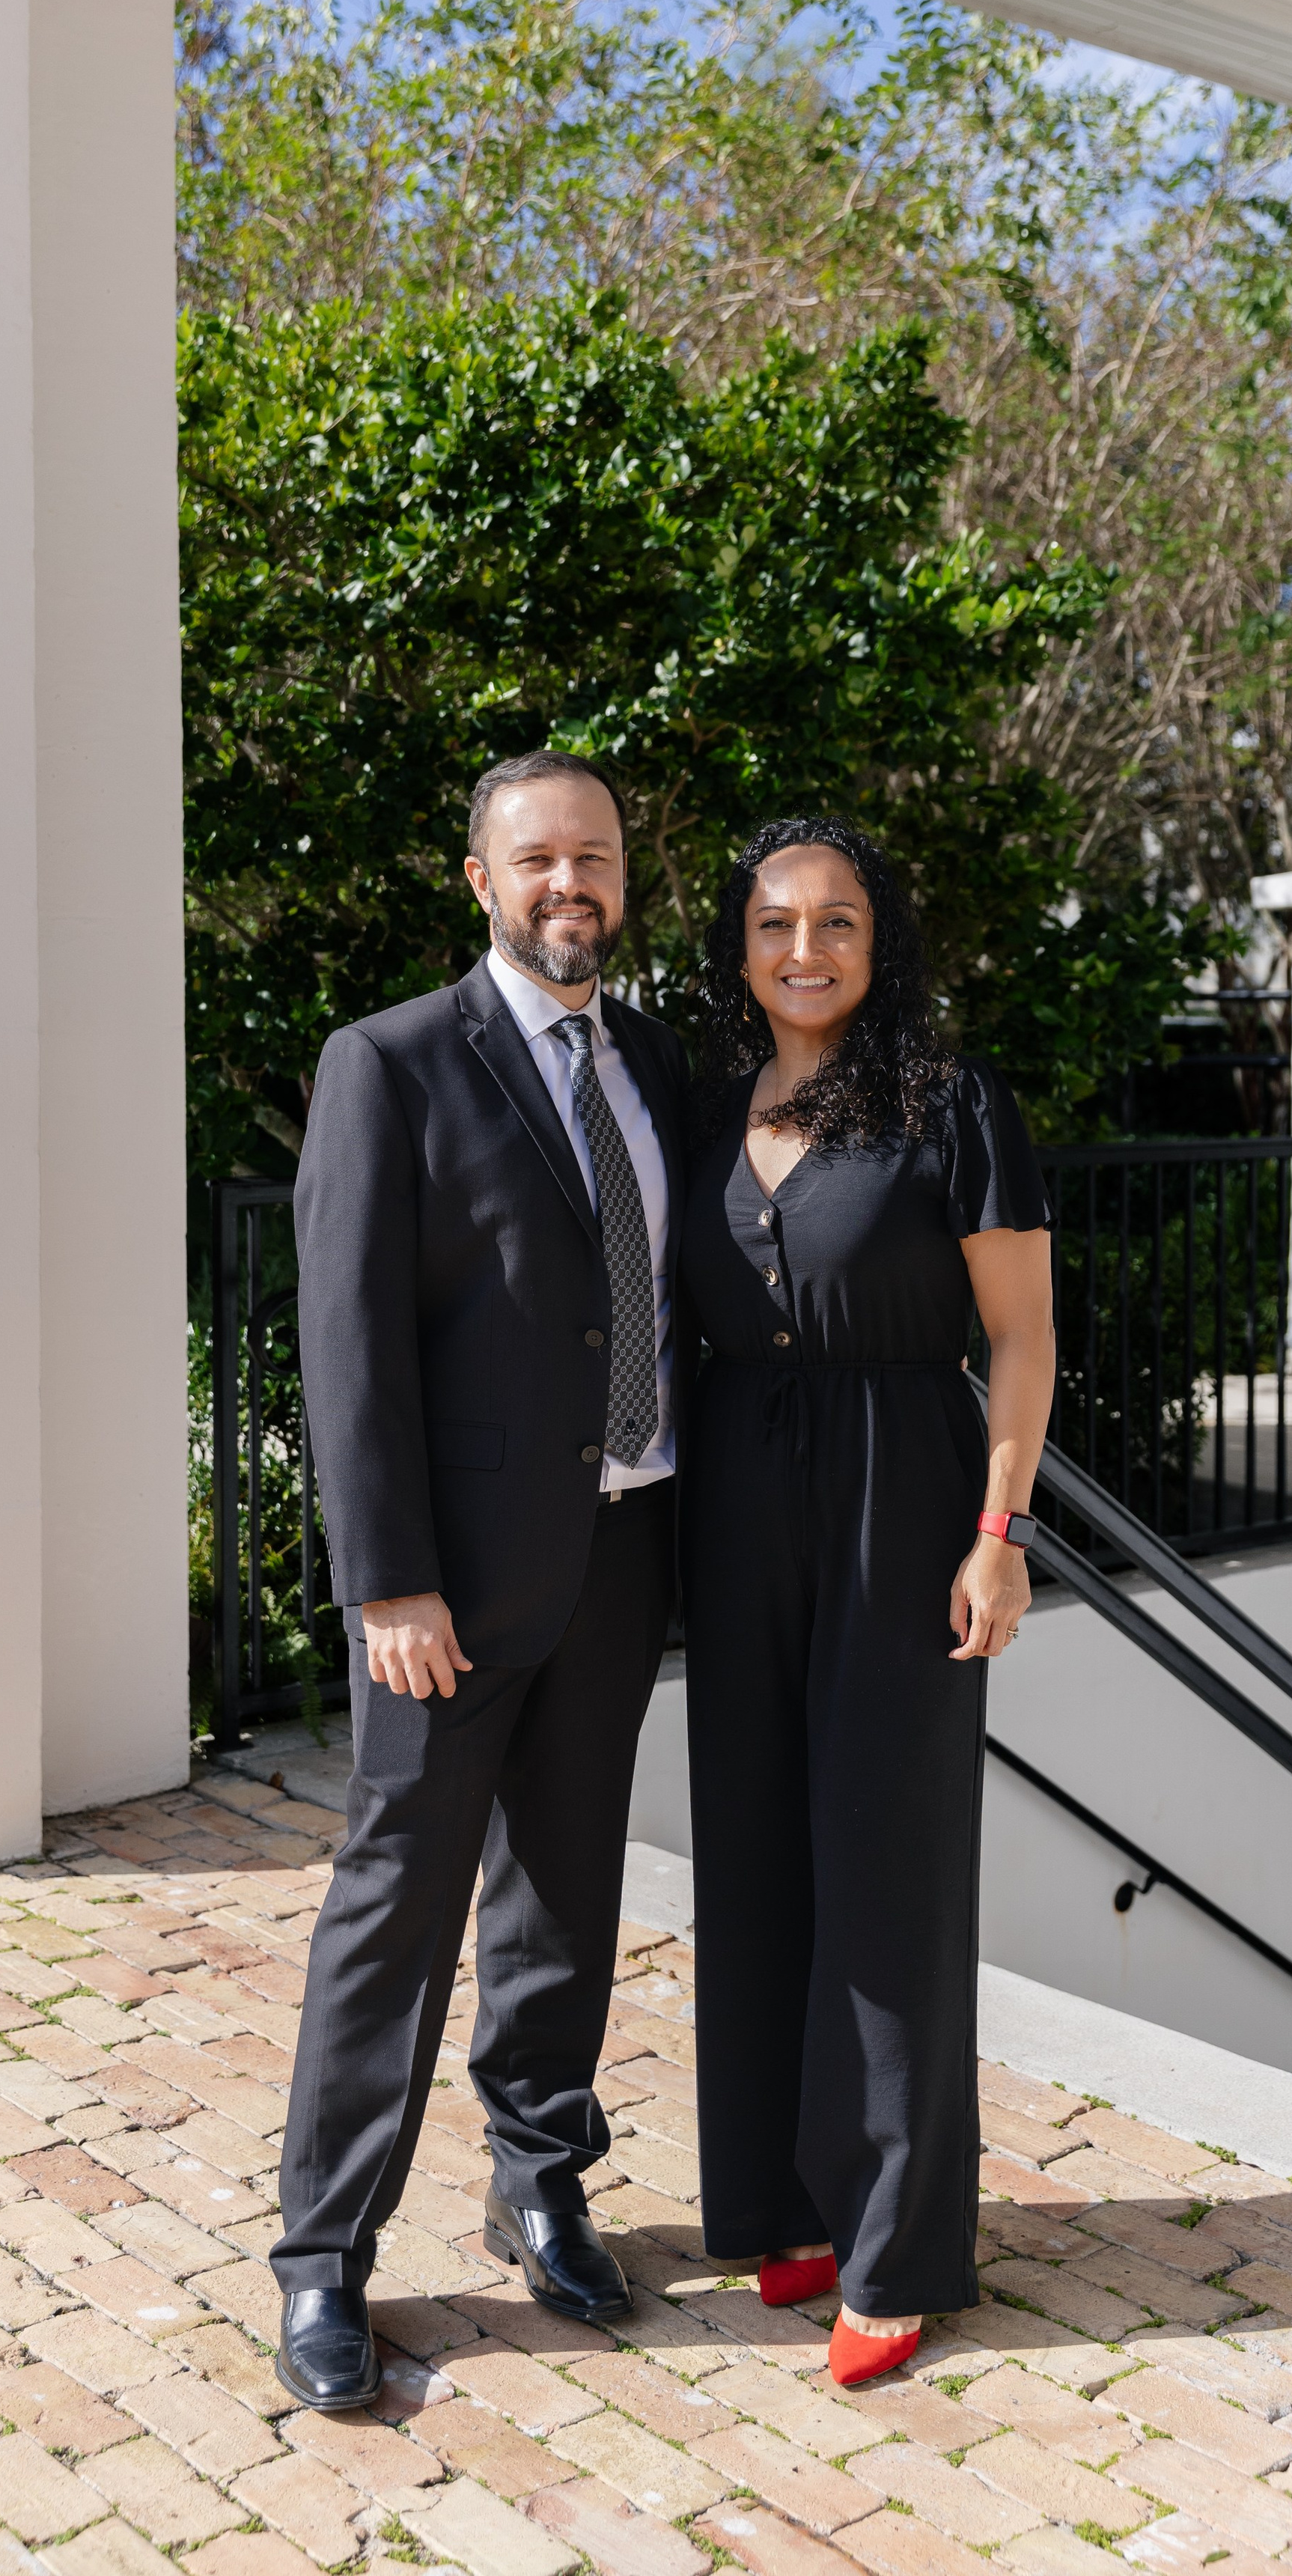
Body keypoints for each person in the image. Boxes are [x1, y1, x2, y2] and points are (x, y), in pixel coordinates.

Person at [272, 749, 691, 2411]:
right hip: (441, 1593)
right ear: (481, 882)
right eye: (537, 860)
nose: (567, 884)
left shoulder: (653, 1058)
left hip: (621, 1549)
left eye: (593, 855)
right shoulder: (390, 1064)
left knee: (563, 1899)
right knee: (395, 1917)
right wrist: (386, 1580)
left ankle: (539, 2177)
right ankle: (324, 2261)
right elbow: (347, 1335)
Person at [682, 814, 1055, 2389]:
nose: (805, 950)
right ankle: (789, 2203)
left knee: (887, 1868)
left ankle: (897, 2243)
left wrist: (1000, 1527)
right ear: (739, 945)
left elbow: (1023, 1340)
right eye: (775, 924)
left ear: (877, 939)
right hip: (732, 1506)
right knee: (758, 1850)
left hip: (902, 1501)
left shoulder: (946, 1104)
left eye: (836, 922)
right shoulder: (696, 1107)